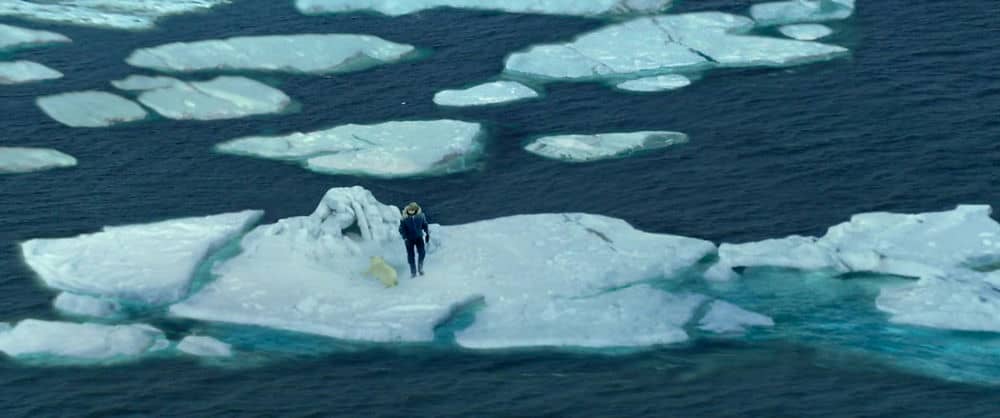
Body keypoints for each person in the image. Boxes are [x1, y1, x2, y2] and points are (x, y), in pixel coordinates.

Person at [398, 202, 430, 278]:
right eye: (410, 210)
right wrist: (405, 237)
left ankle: (420, 267)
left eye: (413, 210)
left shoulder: (421, 216)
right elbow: (401, 229)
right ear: (408, 209)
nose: (411, 211)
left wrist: (427, 232)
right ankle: (413, 271)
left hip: (419, 237)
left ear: (416, 210)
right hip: (409, 239)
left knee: (422, 252)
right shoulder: (404, 218)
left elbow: (424, 224)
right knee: (411, 255)